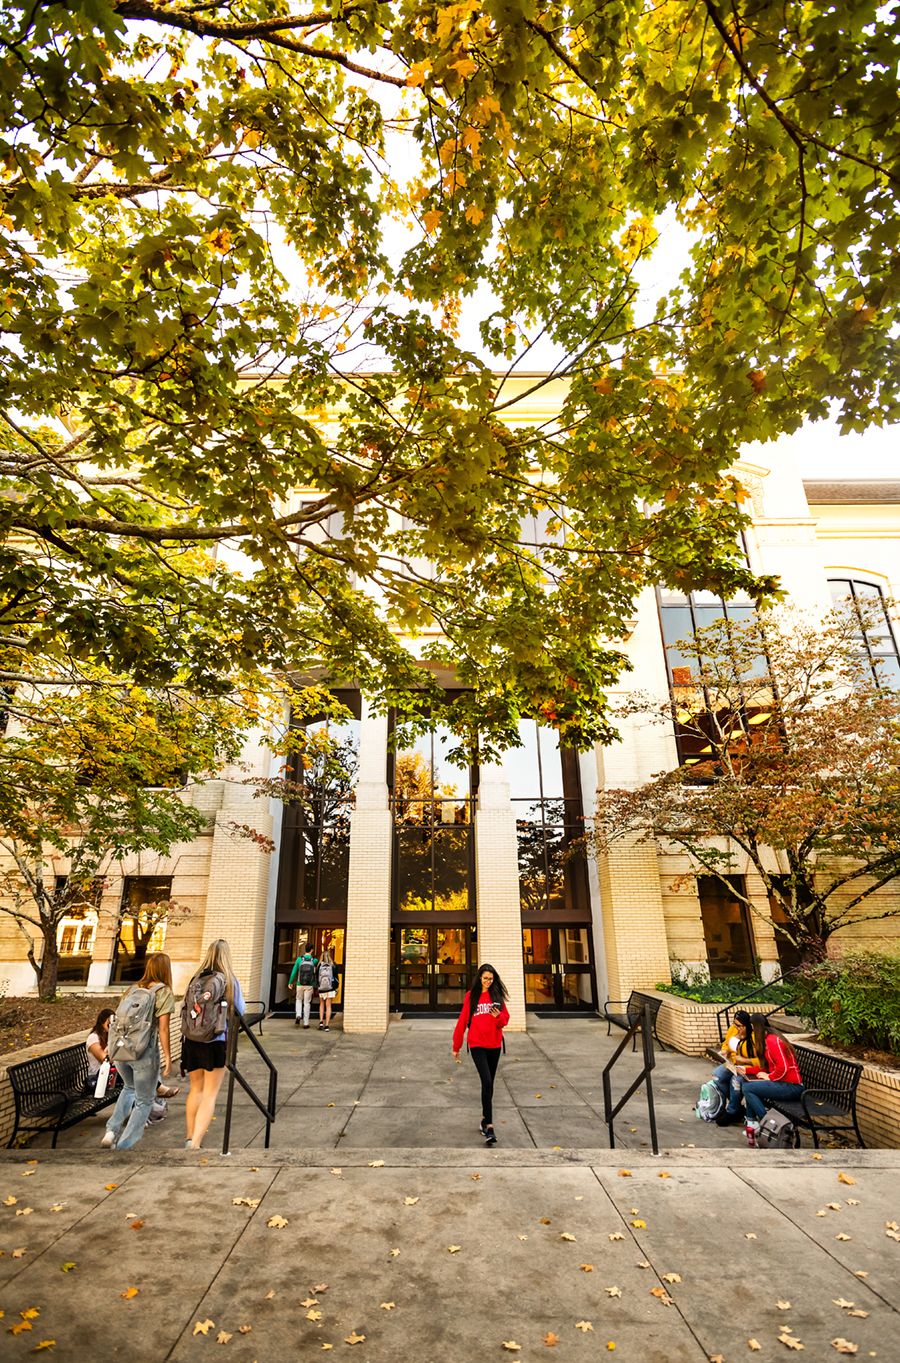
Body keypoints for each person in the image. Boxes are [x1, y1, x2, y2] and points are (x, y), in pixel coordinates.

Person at [100, 953, 174, 1150]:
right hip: (144, 1052)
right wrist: (167, 1056)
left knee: (128, 1088)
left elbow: (118, 1022)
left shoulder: (132, 989)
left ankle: (111, 1131)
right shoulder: (163, 992)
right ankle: (124, 1146)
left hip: (121, 1051)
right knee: (144, 1100)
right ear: (165, 969)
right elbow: (164, 1028)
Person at [181, 938, 245, 1150]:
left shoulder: (196, 979)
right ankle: (197, 1143)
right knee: (210, 1093)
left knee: (195, 1089)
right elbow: (241, 1010)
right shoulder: (228, 980)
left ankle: (190, 1137)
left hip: (191, 1040)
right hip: (215, 1040)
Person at [451, 963, 510, 1146]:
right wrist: (456, 1045)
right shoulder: (472, 996)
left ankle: (484, 1120)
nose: (488, 982)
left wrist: (497, 1017)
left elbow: (504, 1021)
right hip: (477, 1044)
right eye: (485, 978)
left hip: (494, 1044)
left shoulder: (496, 996)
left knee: (489, 1085)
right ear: (479, 978)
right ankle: (490, 1127)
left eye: (491, 979)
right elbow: (462, 1021)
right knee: (486, 1081)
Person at [733, 1014, 803, 1143]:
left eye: (753, 1028)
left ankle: (769, 1126)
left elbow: (783, 1068)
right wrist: (747, 1070)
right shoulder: (766, 1040)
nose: (752, 1031)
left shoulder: (773, 1041)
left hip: (792, 1086)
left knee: (748, 1088)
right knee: (746, 1083)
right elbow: (766, 1067)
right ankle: (753, 1123)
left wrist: (770, 1077)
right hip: (781, 1083)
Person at [709, 1009, 760, 1126]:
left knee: (735, 1081)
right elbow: (727, 1043)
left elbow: (760, 1060)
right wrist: (725, 1050)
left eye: (739, 1025)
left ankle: (732, 1111)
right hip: (732, 1063)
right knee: (717, 1076)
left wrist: (744, 1060)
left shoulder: (752, 1037)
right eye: (734, 1024)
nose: (736, 1027)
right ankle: (737, 1106)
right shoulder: (734, 1028)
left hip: (747, 1066)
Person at [289, 943, 318, 1029]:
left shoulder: (299, 959)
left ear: (305, 949)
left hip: (299, 984)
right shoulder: (314, 960)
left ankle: (298, 1014)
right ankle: (306, 1023)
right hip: (309, 984)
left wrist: (290, 982)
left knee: (298, 1000)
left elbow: (294, 971)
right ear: (312, 950)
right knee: (307, 1003)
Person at [86, 1006, 114, 1081]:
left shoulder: (111, 1036)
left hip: (109, 1074)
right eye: (109, 1023)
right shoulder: (93, 1038)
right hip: (96, 1077)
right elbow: (104, 1059)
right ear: (102, 1022)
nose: (112, 1026)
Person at [317, 949, 337, 1031]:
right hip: (330, 988)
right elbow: (336, 977)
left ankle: (321, 1022)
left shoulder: (319, 966)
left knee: (321, 1004)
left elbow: (316, 977)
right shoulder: (333, 965)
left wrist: (318, 986)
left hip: (321, 988)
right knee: (328, 1006)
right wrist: (336, 987)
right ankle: (327, 1026)